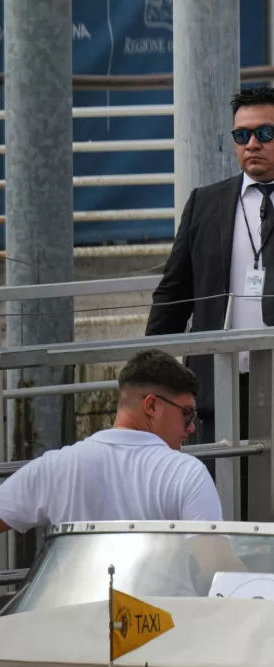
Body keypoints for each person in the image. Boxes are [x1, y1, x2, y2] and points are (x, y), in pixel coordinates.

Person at [0, 349, 222, 564]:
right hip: (160, 631)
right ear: (151, 405)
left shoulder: (57, 467)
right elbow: (217, 565)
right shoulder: (186, 472)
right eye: (187, 415)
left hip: (73, 629)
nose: (191, 428)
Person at [146, 86, 274, 514]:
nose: (252, 144)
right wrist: (150, 375)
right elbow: (173, 296)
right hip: (218, 387)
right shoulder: (205, 203)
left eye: (265, 133)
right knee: (222, 506)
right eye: (242, 136)